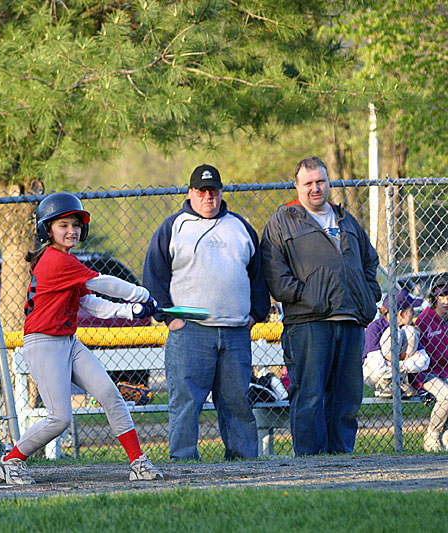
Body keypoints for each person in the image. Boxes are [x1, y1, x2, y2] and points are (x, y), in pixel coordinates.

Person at [0, 192, 163, 484]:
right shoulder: (56, 260)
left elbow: (91, 304)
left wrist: (129, 311)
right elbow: (103, 282)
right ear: (47, 230)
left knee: (111, 395)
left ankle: (138, 462)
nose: (71, 230)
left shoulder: (67, 263)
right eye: (63, 225)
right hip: (44, 343)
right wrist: (141, 293)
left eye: (75, 224)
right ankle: (11, 462)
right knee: (59, 418)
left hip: (68, 342)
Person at [143, 164, 270, 460]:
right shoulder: (173, 227)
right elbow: (154, 277)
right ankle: (184, 460)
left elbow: (258, 276)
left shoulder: (240, 227)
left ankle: (243, 459)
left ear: (221, 193)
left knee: (237, 400)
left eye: (213, 191)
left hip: (235, 332)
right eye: (201, 191)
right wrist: (170, 318)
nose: (207, 197)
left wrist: (255, 314)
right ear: (190, 193)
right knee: (187, 401)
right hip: (190, 332)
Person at [261, 156, 381, 456]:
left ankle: (342, 460)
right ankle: (310, 464)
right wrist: (309, 298)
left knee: (347, 398)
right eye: (309, 183)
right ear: (296, 186)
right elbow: (276, 275)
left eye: (321, 181)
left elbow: (369, 261)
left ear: (328, 182)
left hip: (350, 321)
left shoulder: (345, 219)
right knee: (310, 396)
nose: (316, 188)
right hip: (308, 324)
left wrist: (367, 295)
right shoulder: (282, 221)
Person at [362, 290, 427, 400]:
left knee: (409, 331)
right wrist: (407, 363)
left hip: (395, 372)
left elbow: (424, 361)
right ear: (401, 313)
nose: (414, 314)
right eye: (411, 310)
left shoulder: (407, 330)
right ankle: (384, 385)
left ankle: (396, 382)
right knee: (393, 333)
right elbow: (377, 369)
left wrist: (399, 364)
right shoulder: (376, 328)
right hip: (373, 376)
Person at [415, 274, 448, 451]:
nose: (446, 300)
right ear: (434, 297)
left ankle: (447, 435)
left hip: (446, 372)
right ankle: (432, 435)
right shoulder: (424, 320)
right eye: (442, 295)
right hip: (427, 373)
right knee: (446, 396)